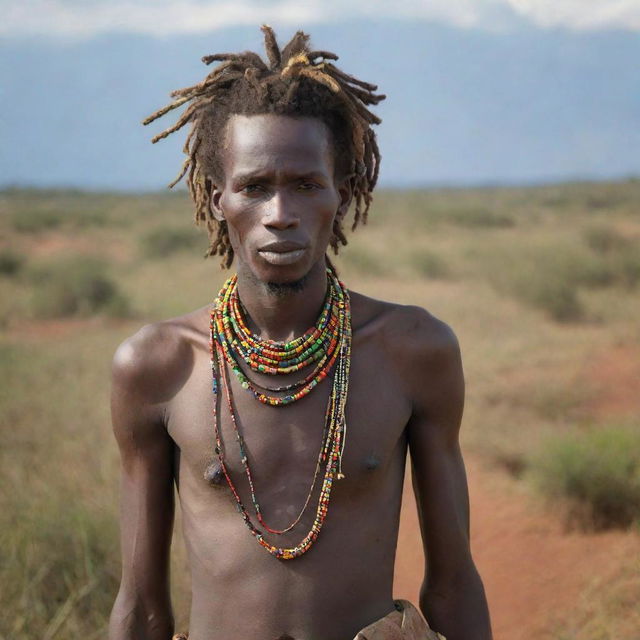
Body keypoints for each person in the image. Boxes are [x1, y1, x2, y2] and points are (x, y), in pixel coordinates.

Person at [108, 26, 492, 640]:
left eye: (306, 185)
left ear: (340, 196)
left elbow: (452, 581)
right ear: (217, 200)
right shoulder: (158, 367)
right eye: (255, 187)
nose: (280, 215)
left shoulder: (413, 351)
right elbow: (142, 603)